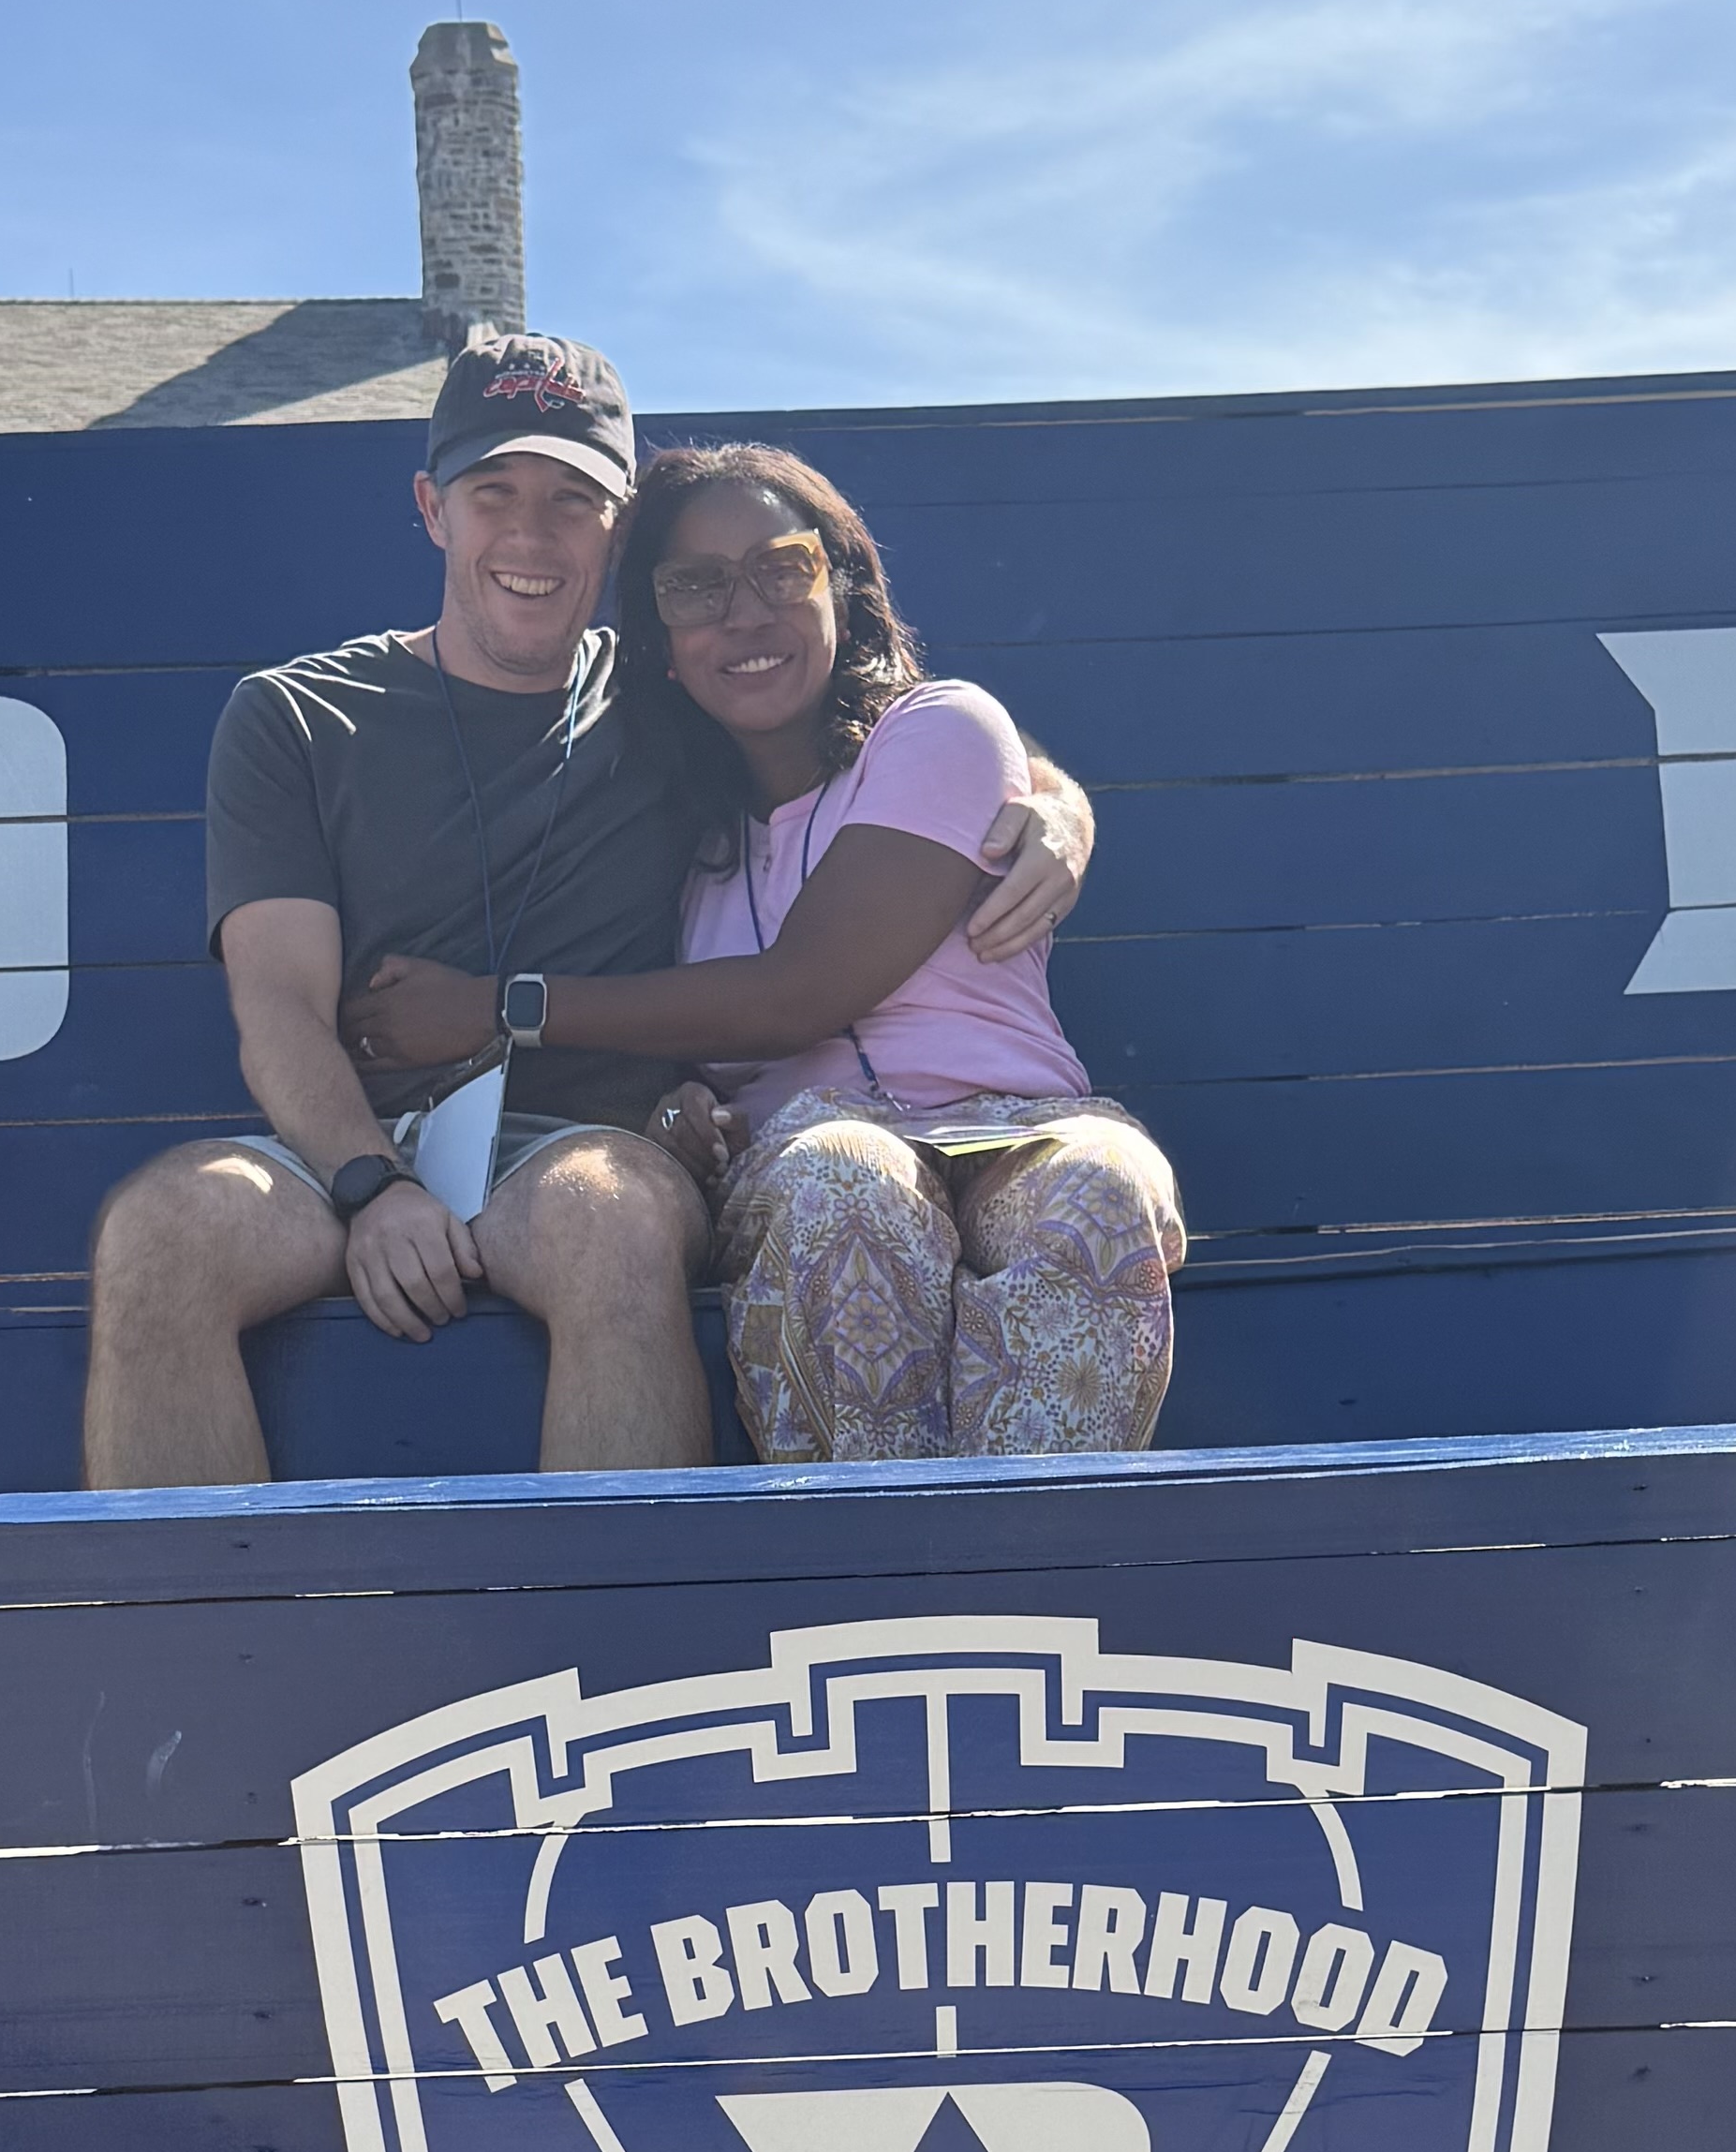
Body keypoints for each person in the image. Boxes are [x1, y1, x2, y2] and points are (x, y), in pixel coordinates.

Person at [80, 338, 1092, 1486]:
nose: (532, 534)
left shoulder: (670, 694)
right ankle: (212, 1609)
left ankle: (613, 1609)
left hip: (584, 1146)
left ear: (616, 534)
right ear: (432, 509)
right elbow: (278, 1006)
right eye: (493, 493)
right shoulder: (299, 715)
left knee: (612, 1222)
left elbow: (900, 733)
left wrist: (1058, 803)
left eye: (573, 500)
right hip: (345, 1149)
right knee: (159, 1235)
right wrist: (372, 1185)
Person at [346, 442, 1182, 1463]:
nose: (743, 615)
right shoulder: (674, 827)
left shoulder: (938, 730)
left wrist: (497, 1007)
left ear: (844, 588)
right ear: (658, 638)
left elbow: (802, 993)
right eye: (695, 588)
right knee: (847, 1180)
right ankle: (881, 1556)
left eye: (783, 569)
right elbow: (686, 1039)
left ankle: (1039, 1547)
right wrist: (681, 1109)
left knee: (1100, 1189)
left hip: (1024, 1128)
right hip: (810, 1154)